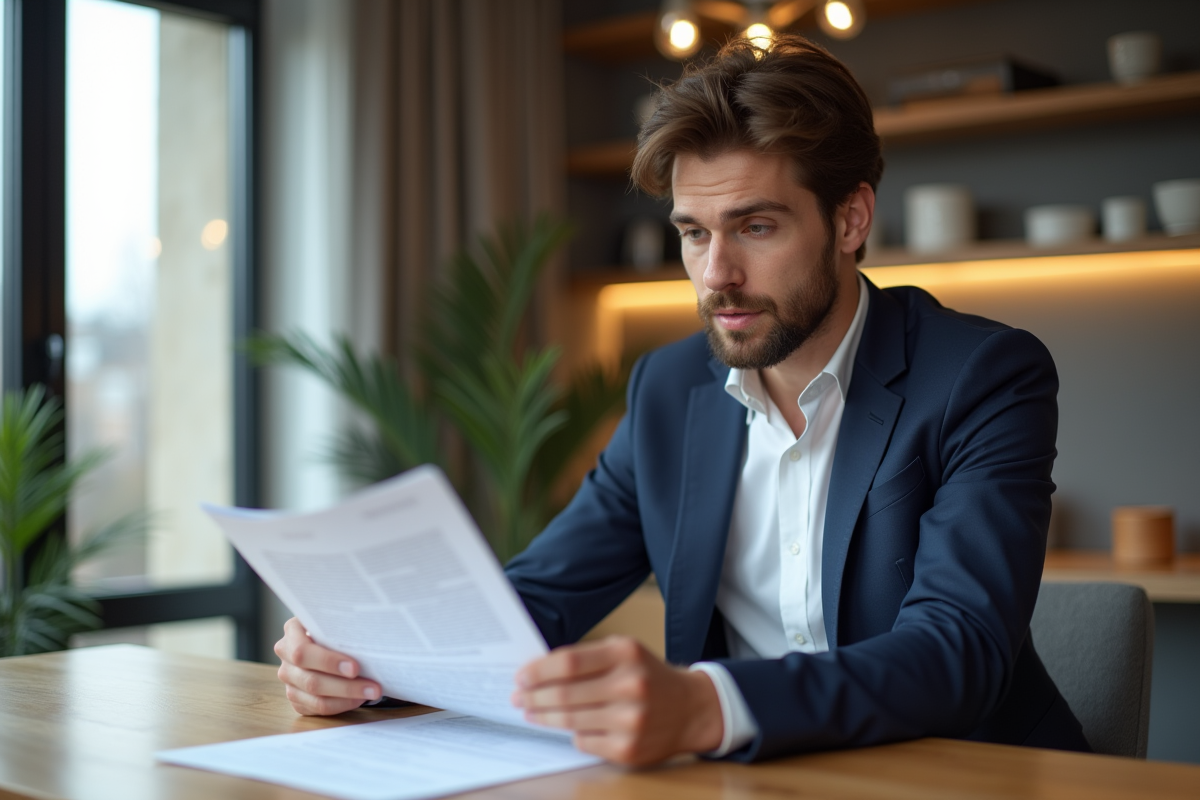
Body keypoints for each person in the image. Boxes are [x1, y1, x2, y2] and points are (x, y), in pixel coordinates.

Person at [274, 35, 1090, 765]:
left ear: (850, 218)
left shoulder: (984, 374)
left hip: (967, 777)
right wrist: (365, 664)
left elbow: (959, 651)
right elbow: (540, 599)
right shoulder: (668, 391)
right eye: (694, 233)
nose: (715, 276)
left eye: (755, 227)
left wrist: (706, 704)